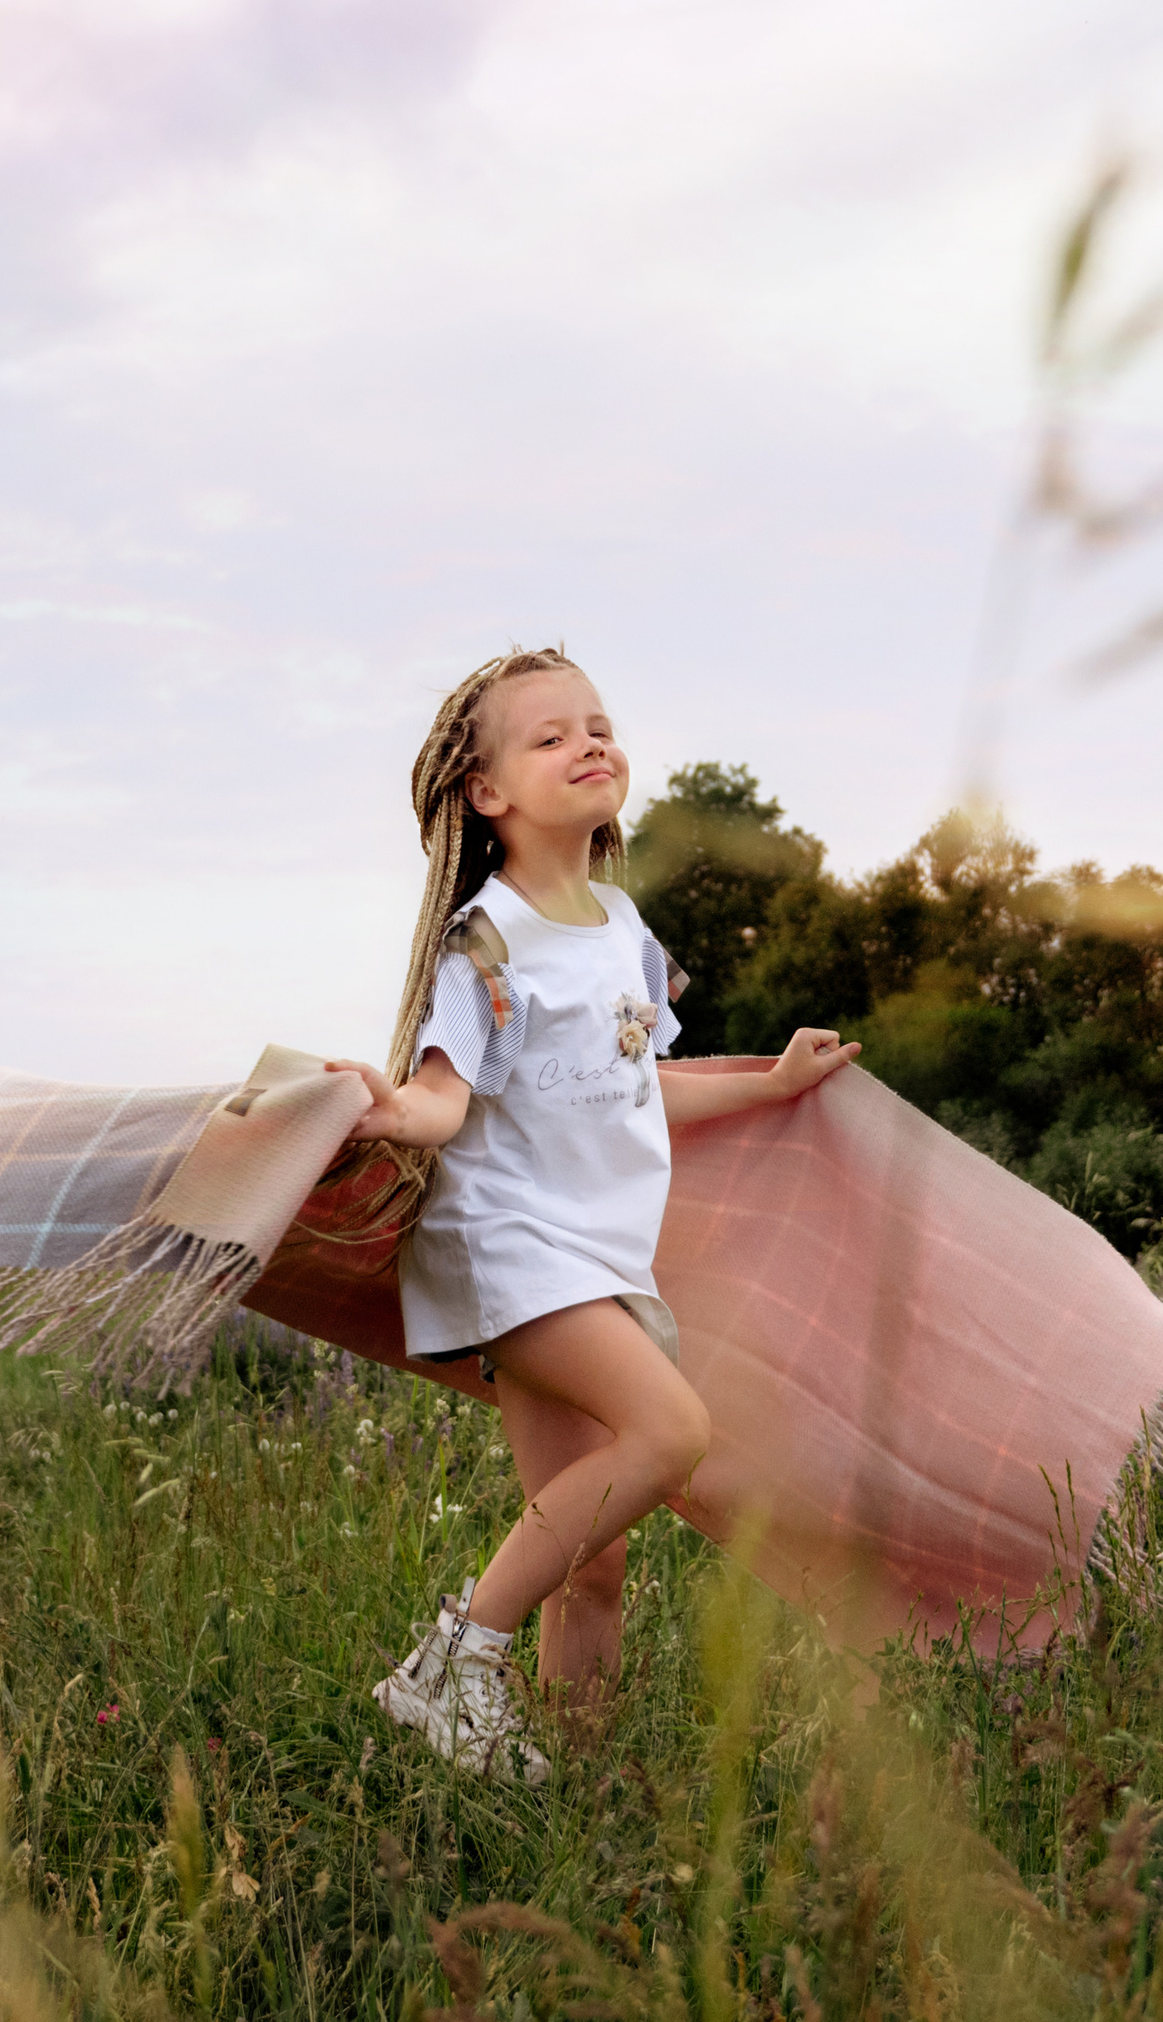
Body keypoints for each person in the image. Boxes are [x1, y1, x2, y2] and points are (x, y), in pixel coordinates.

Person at [324, 647, 858, 1782]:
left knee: (595, 1559)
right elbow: (442, 1097)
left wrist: (769, 1084)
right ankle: (455, 1657)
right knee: (670, 1434)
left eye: (599, 725)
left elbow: (634, 1084)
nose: (589, 744)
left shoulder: (620, 926)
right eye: (552, 735)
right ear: (487, 791)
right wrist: (390, 1110)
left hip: (597, 1257)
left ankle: (575, 1788)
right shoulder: (484, 941)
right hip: (507, 1246)